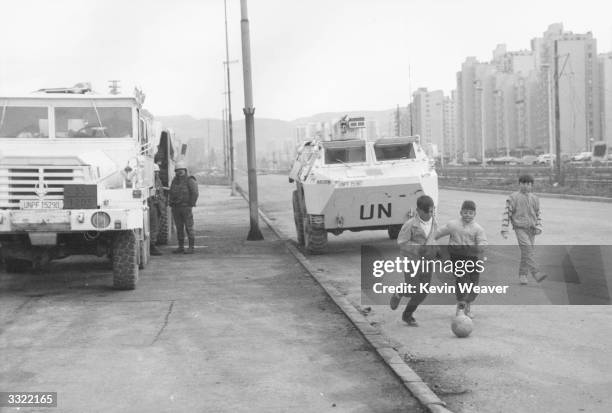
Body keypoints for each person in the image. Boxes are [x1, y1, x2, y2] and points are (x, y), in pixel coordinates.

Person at [389, 195, 438, 327]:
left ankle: (408, 315)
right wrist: (418, 249)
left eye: (432, 211)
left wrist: (435, 251)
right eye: (427, 211)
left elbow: (433, 239)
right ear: (418, 210)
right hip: (412, 261)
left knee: (423, 291)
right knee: (413, 288)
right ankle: (400, 292)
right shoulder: (410, 224)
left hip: (427, 262)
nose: (430, 214)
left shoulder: (434, 222)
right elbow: (402, 242)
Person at [436, 200, 487, 318]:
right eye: (465, 212)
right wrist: (431, 242)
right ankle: (461, 308)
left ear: (475, 214)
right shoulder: (453, 225)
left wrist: (478, 247)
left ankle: (467, 305)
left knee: (474, 284)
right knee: (462, 282)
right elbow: (438, 233)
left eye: (470, 213)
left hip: (472, 258)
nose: (467, 215)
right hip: (457, 258)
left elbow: (483, 243)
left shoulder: (478, 229)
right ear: (460, 212)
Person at [501, 174, 547, 285]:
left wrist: (539, 226)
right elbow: (507, 213)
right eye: (523, 183)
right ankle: (536, 273)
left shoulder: (535, 198)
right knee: (527, 250)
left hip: (532, 229)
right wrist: (504, 229)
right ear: (519, 184)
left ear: (531, 185)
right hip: (519, 228)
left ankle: (523, 275)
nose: (525, 186)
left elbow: (538, 214)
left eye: (528, 184)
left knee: (526, 253)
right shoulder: (513, 197)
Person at [169, 161, 199, 254]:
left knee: (189, 227)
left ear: (185, 170)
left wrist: (191, 204)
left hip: (186, 207)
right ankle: (181, 247)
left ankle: (191, 248)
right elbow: (171, 192)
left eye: (181, 170)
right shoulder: (174, 180)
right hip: (176, 208)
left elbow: (195, 193)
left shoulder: (190, 180)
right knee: (179, 228)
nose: (179, 172)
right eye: (177, 170)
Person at [148, 163, 164, 256]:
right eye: (155, 172)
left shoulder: (157, 181)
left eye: (157, 172)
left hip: (157, 205)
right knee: (153, 226)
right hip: (152, 205)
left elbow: (160, 193)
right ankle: (152, 245)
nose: (157, 174)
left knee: (155, 226)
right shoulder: (148, 182)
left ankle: (152, 244)